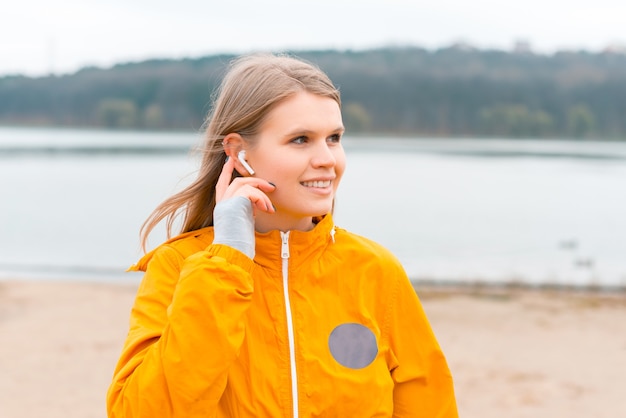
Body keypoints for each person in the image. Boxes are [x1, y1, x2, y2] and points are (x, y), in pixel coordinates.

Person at [107, 53, 458, 417]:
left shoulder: (377, 270)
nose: (327, 159)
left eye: (334, 138)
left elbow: (429, 404)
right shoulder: (181, 268)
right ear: (238, 152)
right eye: (301, 139)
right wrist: (226, 262)